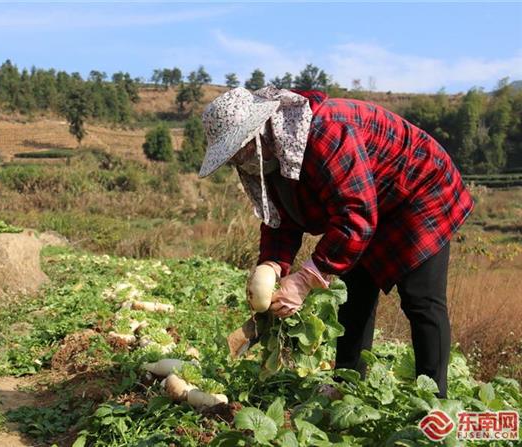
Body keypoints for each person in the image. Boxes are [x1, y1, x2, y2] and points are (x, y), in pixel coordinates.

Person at [198, 87, 474, 398]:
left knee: (421, 299)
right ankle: (348, 385)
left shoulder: (324, 132)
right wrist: (273, 263)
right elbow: (281, 217)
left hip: (419, 189)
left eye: (239, 150)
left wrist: (304, 280)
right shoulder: (269, 157)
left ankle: (433, 402)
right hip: (369, 202)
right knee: (355, 292)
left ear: (258, 132)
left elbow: (355, 214)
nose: (238, 161)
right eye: (232, 156)